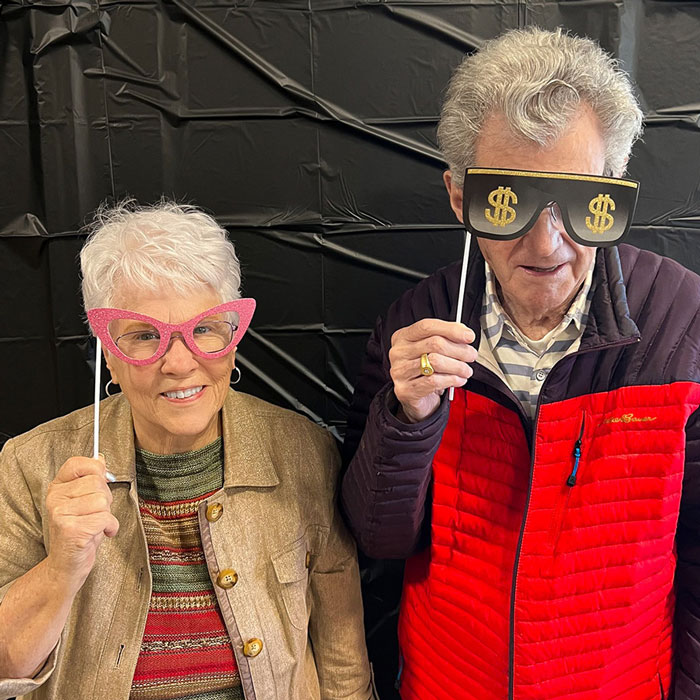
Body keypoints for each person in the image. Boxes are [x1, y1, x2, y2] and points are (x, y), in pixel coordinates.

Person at [341, 27, 700, 700]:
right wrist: (406, 418)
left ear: (614, 191)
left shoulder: (683, 323)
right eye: (507, 201)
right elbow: (376, 538)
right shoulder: (415, 322)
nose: (547, 242)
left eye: (583, 201)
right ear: (459, 199)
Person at [0, 201, 374, 700]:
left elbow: (341, 654)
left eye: (204, 329)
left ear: (233, 338)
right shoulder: (30, 466)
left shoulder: (305, 454)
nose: (179, 363)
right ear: (108, 353)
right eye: (144, 336)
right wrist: (61, 569)